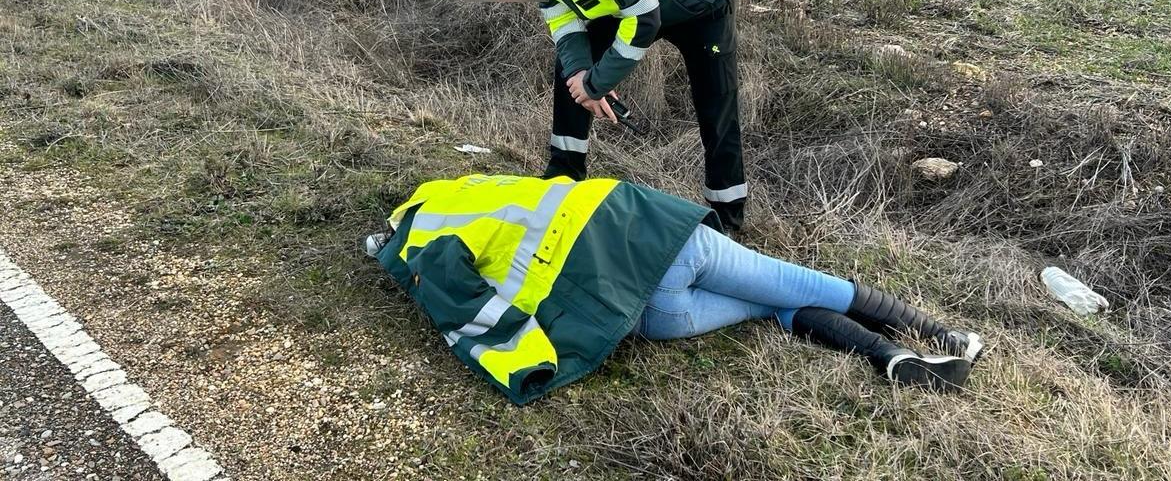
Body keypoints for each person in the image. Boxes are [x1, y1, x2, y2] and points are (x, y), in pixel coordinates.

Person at [372, 174, 983, 405]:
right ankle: (940, 335)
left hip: (642, 314)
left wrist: (529, 357)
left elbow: (456, 303)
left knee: (773, 307)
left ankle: (891, 358)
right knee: (799, 283)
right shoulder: (464, 191)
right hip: (656, 239)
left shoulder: (417, 250)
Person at [465, 0, 747, 231]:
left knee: (716, 102)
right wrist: (582, 73)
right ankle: (563, 174)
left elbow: (644, 19)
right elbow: (562, 21)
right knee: (571, 69)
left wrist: (597, 84)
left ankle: (726, 216)